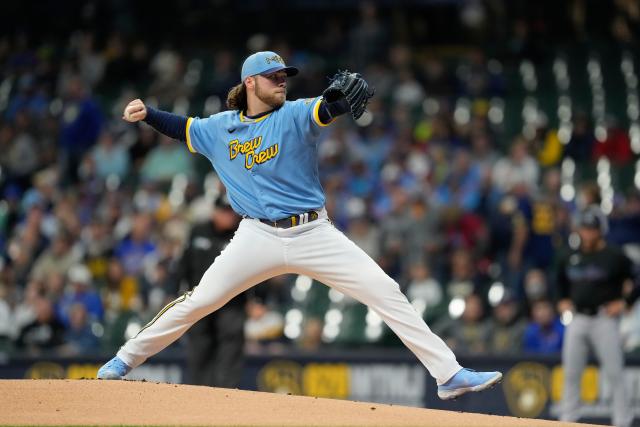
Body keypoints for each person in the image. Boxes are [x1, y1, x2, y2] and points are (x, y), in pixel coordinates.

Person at [97, 51, 501, 400]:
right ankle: (123, 358)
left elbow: (325, 109)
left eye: (284, 76)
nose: (281, 82)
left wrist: (339, 103)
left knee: (385, 291)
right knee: (200, 301)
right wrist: (149, 114)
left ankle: (448, 375)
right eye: (274, 77)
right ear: (250, 82)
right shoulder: (218, 128)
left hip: (312, 233)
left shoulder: (294, 114)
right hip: (256, 235)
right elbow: (182, 126)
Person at [556, 205, 634, 427]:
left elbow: (637, 277)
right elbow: (558, 279)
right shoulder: (571, 255)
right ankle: (567, 420)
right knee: (571, 373)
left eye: (591, 228)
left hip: (604, 319)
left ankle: (622, 421)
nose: (587, 232)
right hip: (578, 317)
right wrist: (561, 299)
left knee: (614, 373)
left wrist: (625, 302)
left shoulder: (614, 255)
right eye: (584, 228)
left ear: (601, 230)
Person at [175, 193, 246, 388]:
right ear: (214, 212)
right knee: (199, 346)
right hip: (200, 299)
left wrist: (259, 300)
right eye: (224, 211)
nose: (229, 216)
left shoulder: (242, 233)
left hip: (232, 302)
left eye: (232, 212)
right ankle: (199, 392)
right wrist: (172, 290)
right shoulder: (199, 231)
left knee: (230, 345)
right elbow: (183, 263)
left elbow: (254, 267)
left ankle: (227, 394)